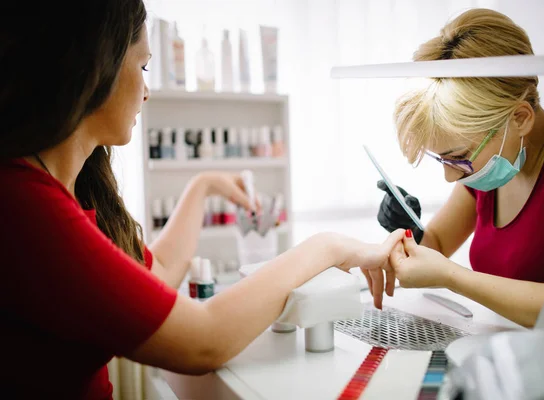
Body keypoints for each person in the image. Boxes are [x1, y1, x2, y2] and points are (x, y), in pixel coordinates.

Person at [0, 2, 403, 398]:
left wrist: (204, 185)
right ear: (93, 66)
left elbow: (157, 272)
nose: (147, 91)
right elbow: (205, 338)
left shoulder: (62, 191)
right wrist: (328, 246)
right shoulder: (23, 208)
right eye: (142, 67)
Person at [378, 8, 544, 330]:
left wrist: (453, 277)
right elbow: (437, 245)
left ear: (520, 118)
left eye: (459, 156)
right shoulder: (493, 168)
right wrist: (409, 231)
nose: (451, 176)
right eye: (442, 160)